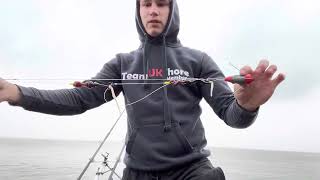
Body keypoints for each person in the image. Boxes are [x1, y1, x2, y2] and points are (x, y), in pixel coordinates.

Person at [0, 0, 285, 179]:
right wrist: (16, 93)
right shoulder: (123, 63)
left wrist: (248, 106)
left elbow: (232, 115)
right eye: (145, 3)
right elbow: (79, 99)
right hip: (137, 172)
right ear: (137, 10)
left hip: (191, 170)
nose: (152, 10)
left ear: (172, 10)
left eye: (161, 3)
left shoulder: (198, 60)